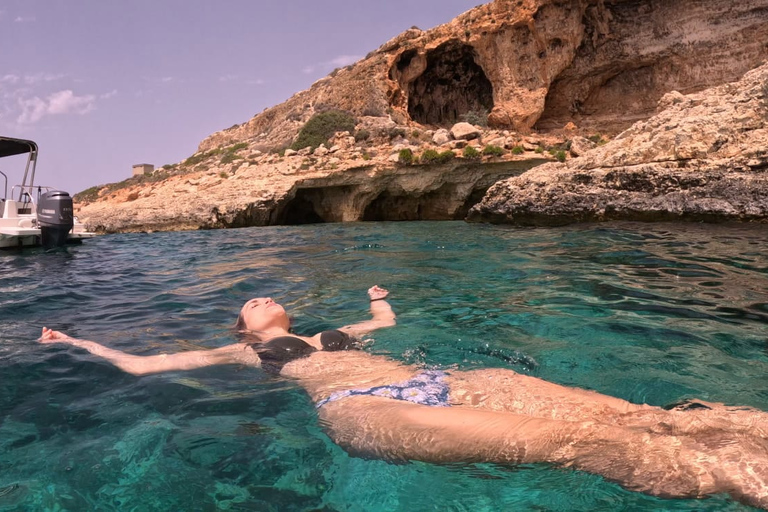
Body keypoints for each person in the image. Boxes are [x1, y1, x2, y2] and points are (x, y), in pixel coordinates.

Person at [40, 286, 768, 509]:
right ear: (243, 328)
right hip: (367, 412)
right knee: (567, 443)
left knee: (625, 412)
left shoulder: (331, 330)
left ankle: (750, 436)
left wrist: (378, 304)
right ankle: (742, 481)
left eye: (267, 297)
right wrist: (78, 344)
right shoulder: (244, 350)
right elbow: (142, 366)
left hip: (442, 381)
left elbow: (387, 324)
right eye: (252, 304)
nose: (262, 299)